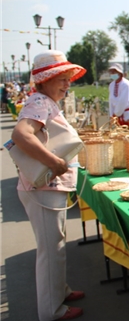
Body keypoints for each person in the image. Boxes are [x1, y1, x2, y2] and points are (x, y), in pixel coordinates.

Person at [11, 50, 86, 320]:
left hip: (47, 189)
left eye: (68, 79)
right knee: (50, 249)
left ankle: (59, 292)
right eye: (61, 78)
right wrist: (54, 162)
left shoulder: (42, 101)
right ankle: (52, 311)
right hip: (43, 189)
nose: (67, 84)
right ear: (45, 80)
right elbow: (21, 135)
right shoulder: (40, 102)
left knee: (55, 244)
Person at [108, 63, 129, 129]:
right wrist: (111, 114)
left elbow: (123, 101)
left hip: (127, 115)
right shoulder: (112, 85)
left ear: (120, 73)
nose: (112, 73)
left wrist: (116, 114)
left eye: (114, 71)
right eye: (111, 72)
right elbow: (111, 100)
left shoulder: (126, 85)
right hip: (117, 115)